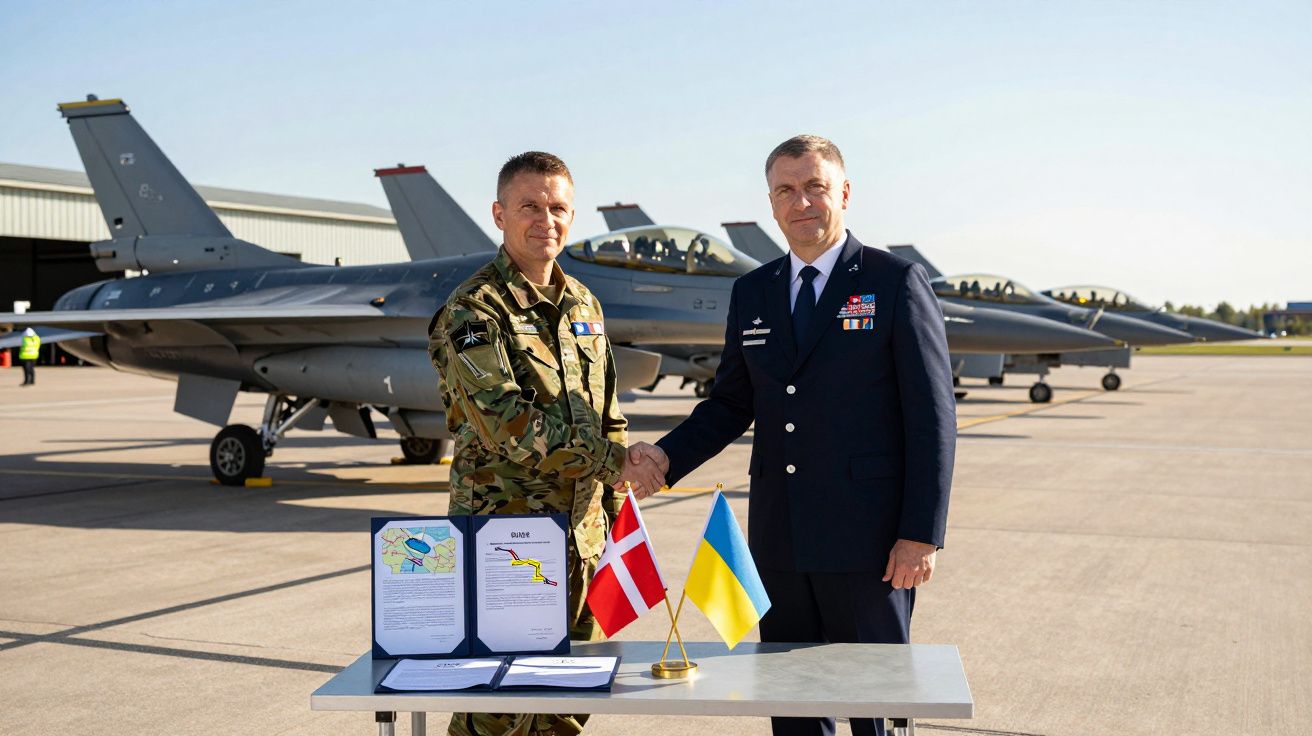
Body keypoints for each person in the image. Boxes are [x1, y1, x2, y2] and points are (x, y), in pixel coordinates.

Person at [628, 135, 956, 736]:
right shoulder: (752, 291)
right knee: (793, 703)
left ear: (844, 194)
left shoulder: (894, 281)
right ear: (771, 204)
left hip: (872, 544)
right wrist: (665, 457)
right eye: (786, 190)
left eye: (815, 187)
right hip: (780, 539)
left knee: (873, 704)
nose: (801, 201)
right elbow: (730, 403)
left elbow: (933, 418)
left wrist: (920, 535)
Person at [428, 151, 663, 736]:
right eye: (529, 206)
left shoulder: (584, 304)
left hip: (582, 539)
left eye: (558, 207)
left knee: (565, 700)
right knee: (498, 705)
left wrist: (612, 516)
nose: (545, 220)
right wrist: (618, 465)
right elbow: (506, 424)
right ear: (499, 215)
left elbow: (608, 413)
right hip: (508, 541)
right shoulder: (473, 309)